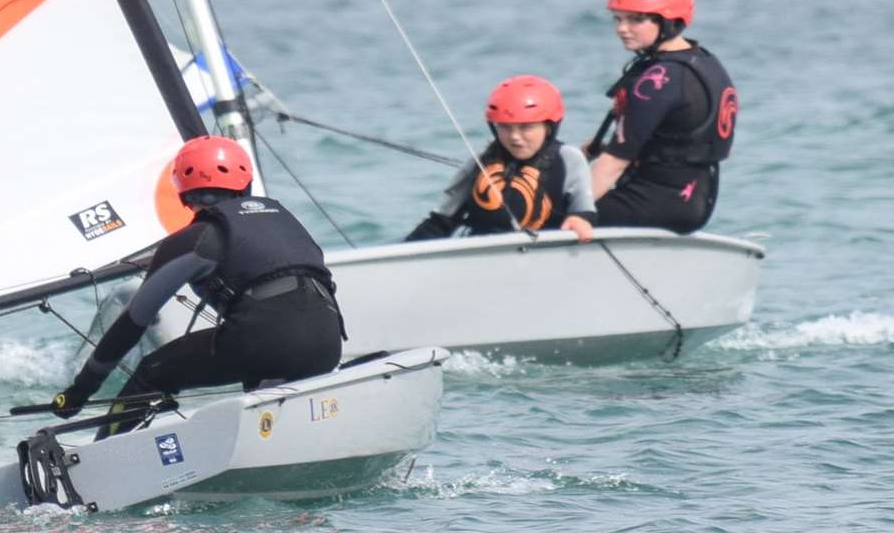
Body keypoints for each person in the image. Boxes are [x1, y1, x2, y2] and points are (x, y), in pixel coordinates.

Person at [51, 135, 343, 434]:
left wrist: (79, 393)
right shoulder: (284, 219)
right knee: (262, 373)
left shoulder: (193, 240)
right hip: (327, 342)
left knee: (153, 372)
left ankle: (104, 460)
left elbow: (133, 322)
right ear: (246, 182)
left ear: (182, 191)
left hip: (262, 344)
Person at [585, 0, 737, 234]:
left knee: (541, 212)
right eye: (618, 19)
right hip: (695, 198)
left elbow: (614, 164)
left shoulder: (659, 80)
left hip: (656, 203)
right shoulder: (702, 62)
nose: (622, 28)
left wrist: (574, 211)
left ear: (668, 22)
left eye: (636, 19)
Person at [405, 75, 597, 242]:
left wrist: (580, 220)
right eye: (504, 127)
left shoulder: (569, 158)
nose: (514, 136)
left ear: (548, 126)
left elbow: (584, 211)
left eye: (526, 127)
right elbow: (440, 222)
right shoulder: (480, 162)